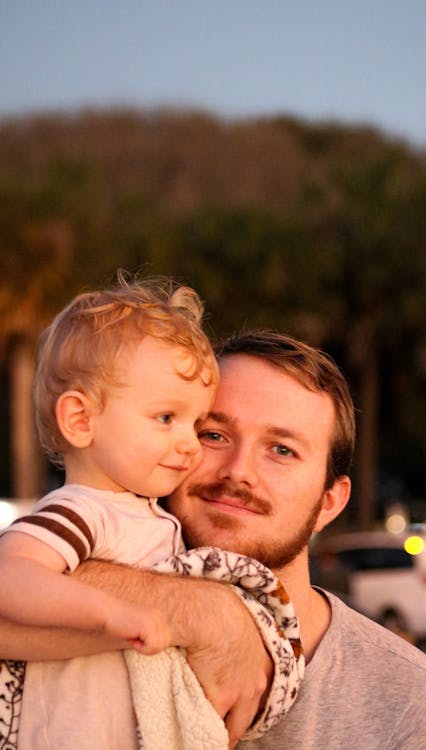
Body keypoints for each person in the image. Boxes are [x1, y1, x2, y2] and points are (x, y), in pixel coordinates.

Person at [0, 330, 426, 749]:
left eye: (281, 450)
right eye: (212, 435)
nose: (238, 472)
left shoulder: (420, 710)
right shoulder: (81, 536)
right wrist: (200, 612)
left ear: (330, 502)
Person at [0, 273, 221, 747]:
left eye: (198, 423)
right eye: (166, 418)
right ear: (81, 420)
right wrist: (107, 613)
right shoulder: (81, 510)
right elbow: (10, 574)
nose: (190, 444)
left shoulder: (142, 512)